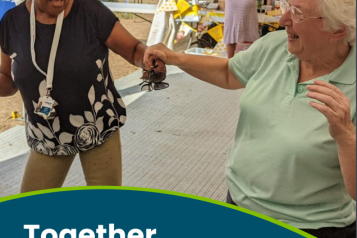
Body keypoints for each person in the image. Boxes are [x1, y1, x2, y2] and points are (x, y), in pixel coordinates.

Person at [143, 0, 356, 236]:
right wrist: (174, 57)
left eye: (297, 13)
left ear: (338, 29)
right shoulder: (274, 47)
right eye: (287, 6)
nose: (282, 20)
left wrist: (347, 137)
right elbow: (228, 73)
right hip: (239, 205)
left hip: (309, 226)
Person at [0, 0, 165, 192]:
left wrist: (148, 59)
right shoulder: (12, 22)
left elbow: (133, 49)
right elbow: (7, 82)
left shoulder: (91, 12)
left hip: (98, 127)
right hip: (46, 133)